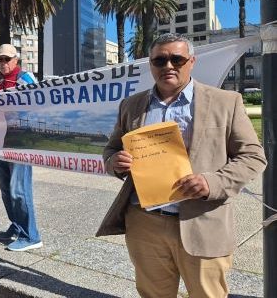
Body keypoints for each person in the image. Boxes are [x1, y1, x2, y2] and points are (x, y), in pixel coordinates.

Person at [96, 33, 266, 297]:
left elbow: (253, 156)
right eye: (160, 60)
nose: (168, 66)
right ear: (151, 64)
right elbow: (111, 149)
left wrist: (212, 182)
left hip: (202, 221)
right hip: (145, 223)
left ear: (191, 61)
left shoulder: (225, 101)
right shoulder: (131, 105)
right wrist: (114, 162)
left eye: (177, 59)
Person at [0, 44, 42, 251]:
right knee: (6, 189)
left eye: (7, 59)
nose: (3, 63)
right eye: (0, 59)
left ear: (16, 60)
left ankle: (31, 236)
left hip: (20, 142)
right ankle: (17, 225)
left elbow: (38, 103)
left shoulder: (25, 79)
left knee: (18, 189)